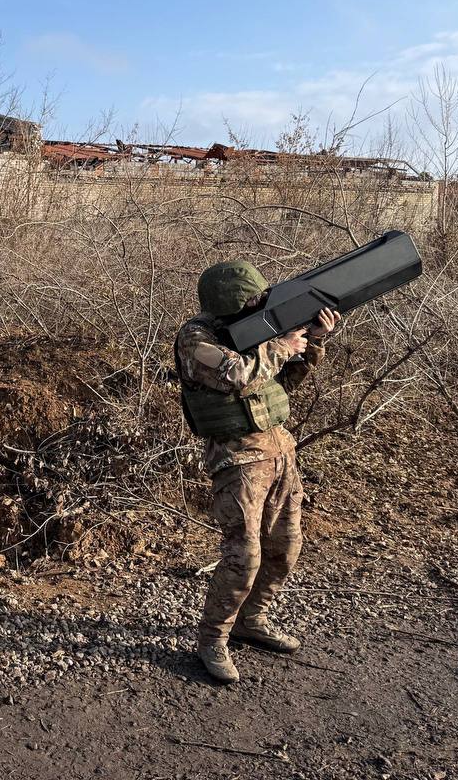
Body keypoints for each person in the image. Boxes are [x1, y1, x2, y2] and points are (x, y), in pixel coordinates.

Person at [174, 261, 340, 685]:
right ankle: (213, 638)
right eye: (250, 299)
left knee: (286, 547)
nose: (259, 303)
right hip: (238, 459)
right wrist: (283, 344)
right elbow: (236, 374)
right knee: (243, 555)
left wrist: (312, 342)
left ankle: (253, 620)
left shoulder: (258, 330)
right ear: (228, 301)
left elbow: (280, 384)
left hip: (280, 450)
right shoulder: (196, 338)